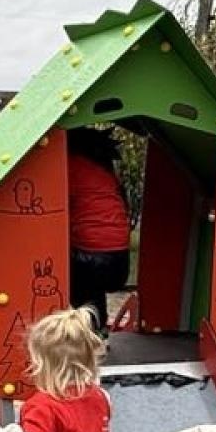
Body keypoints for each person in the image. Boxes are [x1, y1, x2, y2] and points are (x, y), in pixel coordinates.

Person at [67, 126, 131, 336]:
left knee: (77, 287)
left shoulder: (70, 166)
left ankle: (85, 334)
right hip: (119, 261)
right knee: (93, 291)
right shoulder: (106, 173)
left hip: (90, 257)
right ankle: (99, 330)